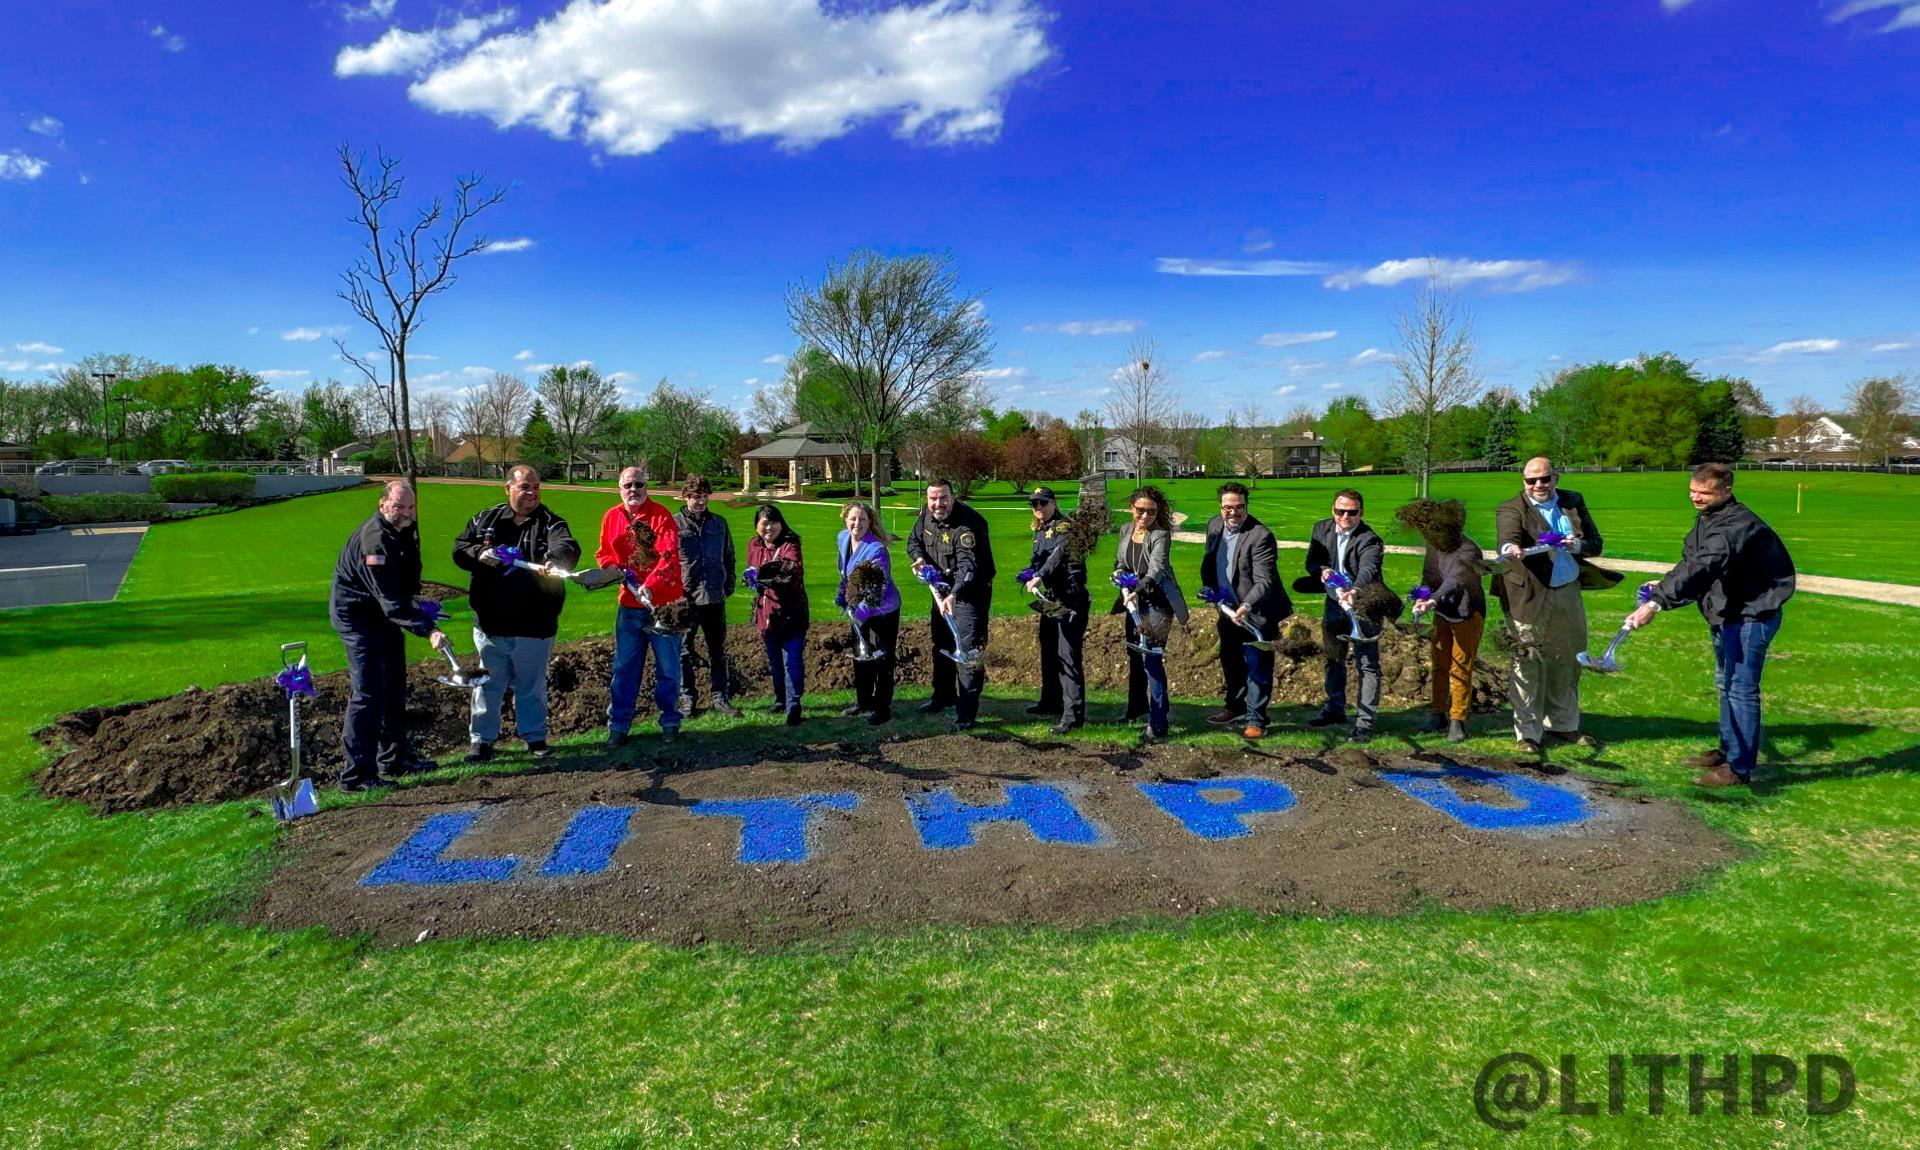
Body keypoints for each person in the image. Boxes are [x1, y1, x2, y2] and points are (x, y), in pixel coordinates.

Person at [1623, 463, 1796, 788]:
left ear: (1726, 491)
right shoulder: (1710, 518)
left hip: (1751, 615)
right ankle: (1728, 750)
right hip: (1725, 612)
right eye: (1692, 491)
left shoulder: (1737, 524)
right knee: (1725, 683)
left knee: (1742, 689)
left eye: (1705, 493)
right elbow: (1693, 564)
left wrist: (1655, 603)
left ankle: (1739, 768)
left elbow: (1704, 566)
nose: (1696, 498)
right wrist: (1664, 587)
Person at [449, 465, 580, 763]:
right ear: (507, 488)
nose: (532, 493)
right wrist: (478, 555)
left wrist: (554, 560)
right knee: (487, 685)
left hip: (534, 626)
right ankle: (481, 741)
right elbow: (459, 548)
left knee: (531, 686)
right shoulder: (486, 519)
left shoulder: (551, 523)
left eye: (536, 487)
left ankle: (534, 738)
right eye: (524, 487)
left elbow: (567, 546)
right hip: (491, 625)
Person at [328, 479, 450, 792]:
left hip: (383, 616)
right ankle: (356, 776)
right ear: (383, 504)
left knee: (395, 687)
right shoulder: (375, 540)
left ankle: (395, 759)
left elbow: (404, 585)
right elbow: (390, 601)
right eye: (399, 506)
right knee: (368, 694)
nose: (406, 513)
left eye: (411, 507)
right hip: (358, 619)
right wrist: (429, 630)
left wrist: (418, 601)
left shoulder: (404, 531)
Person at [1493, 457, 1620, 754]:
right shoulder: (1512, 508)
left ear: (1556, 478)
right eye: (1531, 480)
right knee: (1527, 659)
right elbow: (1507, 538)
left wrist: (1577, 546)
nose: (1539, 485)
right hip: (1529, 593)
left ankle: (1563, 724)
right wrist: (1509, 549)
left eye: (1545, 479)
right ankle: (1528, 733)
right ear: (1523, 481)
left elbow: (1595, 542)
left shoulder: (1572, 502)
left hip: (1568, 588)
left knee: (1569, 656)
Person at [596, 465, 686, 746]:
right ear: (619, 489)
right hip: (630, 606)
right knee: (624, 668)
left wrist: (651, 585)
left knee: (669, 668)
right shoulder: (611, 517)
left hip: (665, 604)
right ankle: (619, 725)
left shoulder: (661, 517)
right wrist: (611, 568)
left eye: (639, 485)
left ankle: (670, 720)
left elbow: (669, 558)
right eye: (628, 485)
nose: (633, 490)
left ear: (647, 487)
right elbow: (604, 553)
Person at [1200, 482, 1291, 739]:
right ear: (1220, 507)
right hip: (1227, 609)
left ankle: (1256, 720)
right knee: (1231, 662)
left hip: (1257, 611)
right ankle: (1235, 707)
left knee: (1258, 666)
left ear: (1246, 506)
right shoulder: (1214, 526)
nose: (1233, 512)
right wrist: (1209, 589)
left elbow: (1265, 580)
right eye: (1228, 507)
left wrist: (1246, 606)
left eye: (1239, 507)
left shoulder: (1260, 535)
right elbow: (1211, 562)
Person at [905, 477, 996, 731]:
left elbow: (969, 567)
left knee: (966, 651)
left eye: (943, 498)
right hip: (940, 591)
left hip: (969, 595)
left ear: (952, 497)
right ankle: (942, 696)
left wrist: (954, 594)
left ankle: (966, 713)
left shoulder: (968, 525)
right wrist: (920, 559)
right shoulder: (925, 515)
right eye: (933, 498)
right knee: (941, 645)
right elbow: (913, 542)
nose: (938, 504)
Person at [1302, 489, 1386, 742]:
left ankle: (1365, 722)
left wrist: (1354, 591)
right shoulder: (1321, 530)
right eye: (1340, 511)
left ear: (1361, 513)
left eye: (1352, 512)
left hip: (1365, 605)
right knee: (1333, 658)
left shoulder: (1370, 539)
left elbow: (1368, 570)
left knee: (1367, 663)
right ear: (1333, 511)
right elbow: (1311, 561)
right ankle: (1334, 708)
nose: (1345, 516)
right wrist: (1323, 570)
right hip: (1333, 603)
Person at [1403, 498, 1487, 744]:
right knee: (1439, 663)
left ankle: (1457, 719)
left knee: (1460, 665)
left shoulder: (1469, 550)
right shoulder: (1434, 546)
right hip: (1442, 613)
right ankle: (1437, 711)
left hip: (1467, 614)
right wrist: (1422, 596)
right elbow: (1429, 577)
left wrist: (1434, 599)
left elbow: (1456, 580)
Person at [1113, 485, 1188, 740]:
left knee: (1151, 659)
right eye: (1140, 511)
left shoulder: (1160, 535)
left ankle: (1158, 723)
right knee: (1135, 656)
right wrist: (1119, 575)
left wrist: (1138, 587)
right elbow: (1121, 563)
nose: (1145, 517)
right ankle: (1136, 709)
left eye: (1151, 513)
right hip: (1133, 601)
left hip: (1157, 602)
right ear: (1131, 509)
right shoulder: (1126, 530)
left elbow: (1156, 569)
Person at [1021, 486, 1090, 734]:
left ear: (1053, 502)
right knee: (1049, 651)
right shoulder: (1041, 530)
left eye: (1042, 503)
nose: (1038, 508)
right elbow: (1039, 559)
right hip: (1050, 600)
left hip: (1070, 600)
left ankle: (1073, 716)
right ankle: (1050, 701)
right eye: (1034, 504)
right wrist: (1028, 572)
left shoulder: (1064, 528)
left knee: (1068, 656)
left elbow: (1057, 557)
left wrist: (1039, 575)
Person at [673, 474, 739, 718]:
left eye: (703, 497)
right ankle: (687, 698)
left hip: (714, 596)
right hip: (685, 599)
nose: (699, 502)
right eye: (694, 497)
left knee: (717, 650)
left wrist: (728, 585)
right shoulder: (674, 524)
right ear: (685, 497)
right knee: (683, 651)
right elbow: (666, 561)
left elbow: (729, 556)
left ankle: (720, 697)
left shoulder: (719, 524)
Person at [835, 500, 901, 726]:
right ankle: (863, 701)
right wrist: (842, 596)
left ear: (870, 522)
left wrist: (859, 615)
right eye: (853, 518)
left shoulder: (876, 550)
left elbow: (876, 590)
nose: (857, 524)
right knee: (862, 654)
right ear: (845, 518)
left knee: (882, 658)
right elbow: (846, 574)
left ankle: (883, 709)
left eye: (862, 520)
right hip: (858, 606)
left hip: (883, 610)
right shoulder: (843, 538)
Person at [746, 504, 810, 726]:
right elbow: (751, 571)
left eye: (773, 522)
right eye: (764, 523)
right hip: (767, 614)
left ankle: (794, 705)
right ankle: (780, 699)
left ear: (781, 523)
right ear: (756, 526)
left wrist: (766, 577)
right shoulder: (753, 546)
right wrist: (751, 579)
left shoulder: (790, 545)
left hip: (791, 613)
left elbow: (791, 570)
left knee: (791, 661)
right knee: (774, 661)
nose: (769, 528)